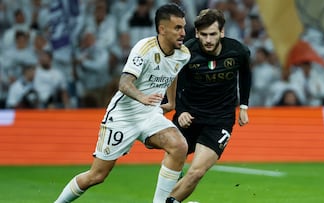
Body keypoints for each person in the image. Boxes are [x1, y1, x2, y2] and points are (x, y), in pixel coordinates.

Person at [54, 3, 190, 203]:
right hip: (123, 117)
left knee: (179, 146)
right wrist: (142, 97)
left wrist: (170, 101)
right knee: (97, 175)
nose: (183, 33)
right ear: (162, 29)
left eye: (184, 27)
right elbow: (124, 83)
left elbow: (173, 71)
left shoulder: (183, 54)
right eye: (178, 28)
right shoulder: (144, 49)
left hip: (150, 115)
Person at [166, 8, 252, 203]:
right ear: (196, 34)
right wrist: (180, 111)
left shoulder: (238, 51)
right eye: (203, 35)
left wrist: (244, 106)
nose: (208, 40)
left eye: (213, 34)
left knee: (196, 172)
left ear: (222, 32)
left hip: (219, 120)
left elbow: (245, 75)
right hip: (190, 116)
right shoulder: (185, 52)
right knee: (170, 161)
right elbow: (175, 81)